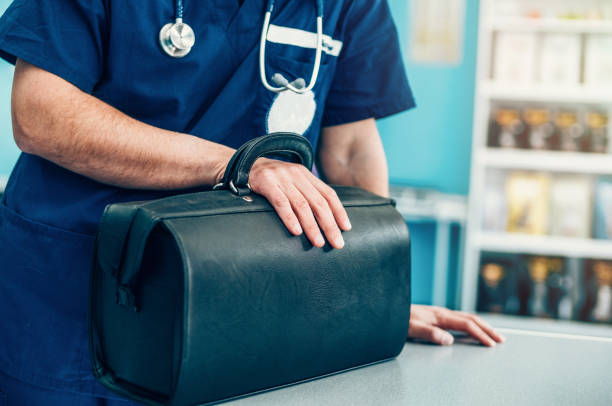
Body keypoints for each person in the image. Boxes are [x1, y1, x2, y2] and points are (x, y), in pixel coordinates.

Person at [0, 0, 504, 404]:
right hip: (68, 298)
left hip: (235, 309)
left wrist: (370, 297)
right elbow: (40, 114)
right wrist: (238, 165)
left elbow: (350, 150)